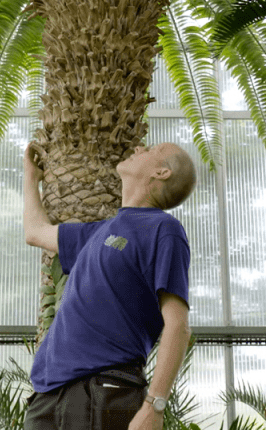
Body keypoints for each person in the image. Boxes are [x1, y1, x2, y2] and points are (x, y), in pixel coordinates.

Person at [22, 141, 196, 430]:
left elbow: (178, 325)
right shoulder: (99, 231)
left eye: (151, 150)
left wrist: (155, 405)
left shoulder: (164, 230)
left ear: (161, 172)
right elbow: (35, 232)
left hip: (103, 391)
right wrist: (30, 177)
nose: (139, 148)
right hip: (47, 397)